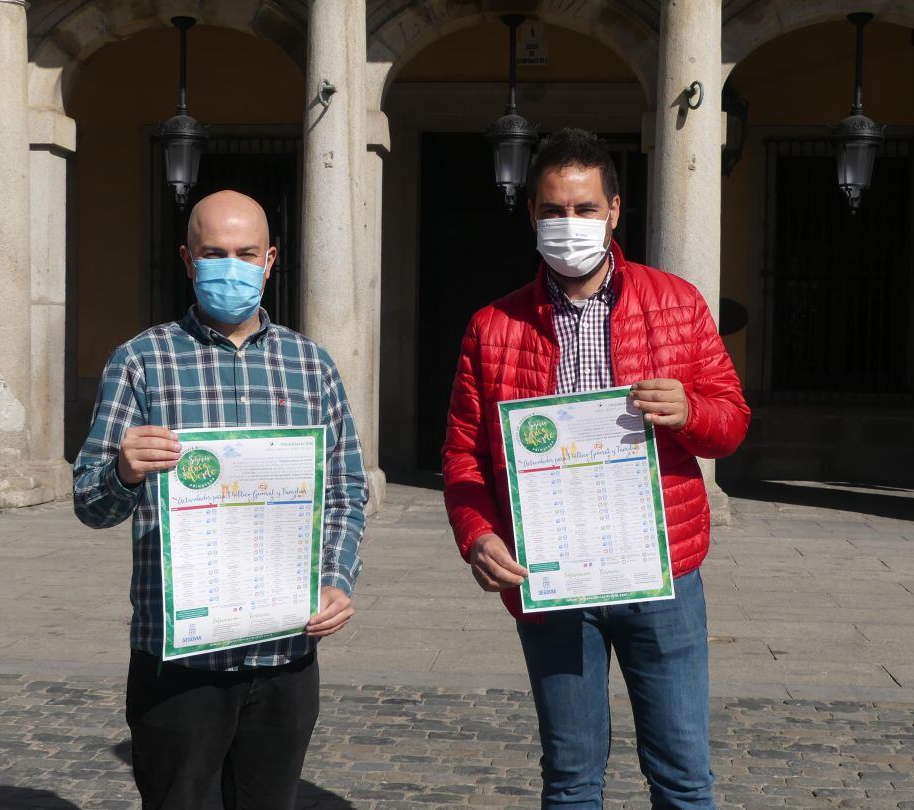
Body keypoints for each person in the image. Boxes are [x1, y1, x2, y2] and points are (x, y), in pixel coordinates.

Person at [442, 129, 750, 809]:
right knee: (572, 778)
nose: (568, 224)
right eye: (553, 210)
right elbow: (464, 455)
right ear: (531, 216)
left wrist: (690, 410)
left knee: (682, 774)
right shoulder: (492, 326)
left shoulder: (677, 303)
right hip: (552, 579)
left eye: (584, 209)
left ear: (615, 211)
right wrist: (479, 535)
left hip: (662, 572)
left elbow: (732, 423)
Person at [73, 190, 367, 810]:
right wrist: (123, 472)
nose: (229, 266)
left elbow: (345, 488)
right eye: (213, 253)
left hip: (284, 651)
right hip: (178, 659)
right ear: (187, 259)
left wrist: (337, 577)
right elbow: (89, 501)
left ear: (269, 260)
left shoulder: (311, 365)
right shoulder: (141, 362)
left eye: (244, 253)